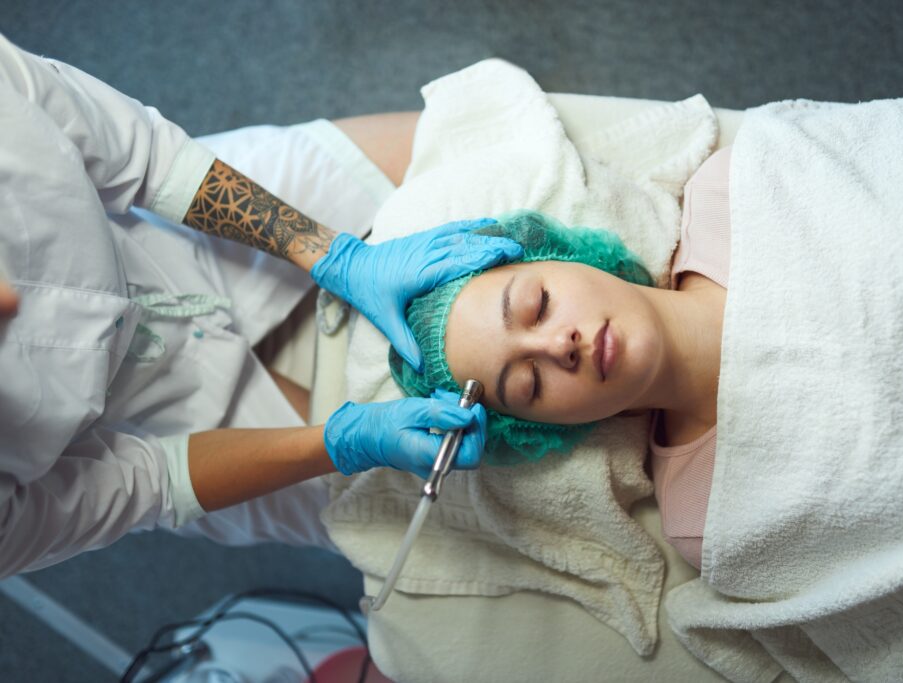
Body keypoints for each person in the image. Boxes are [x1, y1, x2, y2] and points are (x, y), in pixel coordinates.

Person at [0, 34, 524, 578]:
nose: (12, 299)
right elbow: (150, 483)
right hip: (166, 425)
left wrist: (335, 256)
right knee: (462, 530)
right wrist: (341, 443)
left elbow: (144, 157)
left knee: (480, 137)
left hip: (176, 226)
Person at [388, 148, 733, 571]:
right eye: (528, 383)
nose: (559, 346)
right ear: (541, 429)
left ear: (561, 255)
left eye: (539, 304)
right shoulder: (708, 520)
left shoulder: (733, 189)